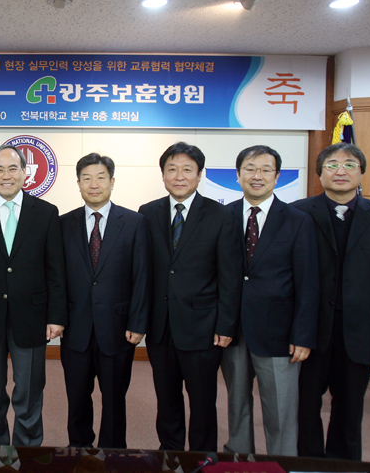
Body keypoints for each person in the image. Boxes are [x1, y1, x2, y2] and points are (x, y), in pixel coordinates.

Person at [293, 142, 370, 461]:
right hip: (310, 330)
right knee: (305, 407)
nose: (340, 171)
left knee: (349, 408)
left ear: (361, 172)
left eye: (349, 165)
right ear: (320, 173)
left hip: (361, 330)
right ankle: (309, 465)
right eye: (331, 165)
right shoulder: (298, 213)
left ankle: (345, 466)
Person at [0, 144, 67, 446]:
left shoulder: (46, 213)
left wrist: (56, 316)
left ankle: (27, 450)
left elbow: (55, 270)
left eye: (13, 169)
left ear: (24, 172)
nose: (6, 175)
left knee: (29, 393)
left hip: (32, 317)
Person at [138, 141, 242, 452]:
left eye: (187, 169)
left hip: (203, 328)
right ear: (163, 175)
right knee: (166, 398)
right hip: (160, 327)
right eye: (172, 169)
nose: (179, 176)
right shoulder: (148, 213)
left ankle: (202, 457)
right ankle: (170, 453)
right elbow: (143, 273)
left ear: (199, 175)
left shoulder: (220, 215)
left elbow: (230, 276)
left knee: (202, 401)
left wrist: (226, 325)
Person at [220, 145, 319, 456]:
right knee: (236, 405)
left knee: (280, 412)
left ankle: (281, 462)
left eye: (265, 169)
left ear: (277, 177)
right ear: (238, 175)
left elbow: (308, 283)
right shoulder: (223, 216)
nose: (257, 175)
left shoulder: (298, 220)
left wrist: (303, 336)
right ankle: (239, 458)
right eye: (250, 169)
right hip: (232, 331)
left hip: (279, 334)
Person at [59, 153, 151, 448]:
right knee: (76, 398)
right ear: (78, 183)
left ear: (112, 181)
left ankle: (113, 453)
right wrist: (57, 318)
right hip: (75, 328)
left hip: (118, 328)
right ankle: (79, 449)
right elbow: (56, 277)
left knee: (114, 399)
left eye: (100, 177)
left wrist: (138, 322)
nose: (94, 184)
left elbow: (142, 276)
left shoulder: (135, 222)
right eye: (86, 178)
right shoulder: (63, 224)